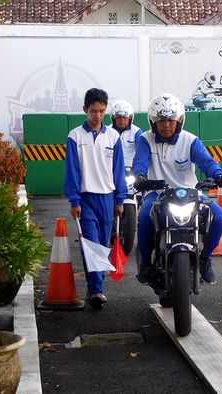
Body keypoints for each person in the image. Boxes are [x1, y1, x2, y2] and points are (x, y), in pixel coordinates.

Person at [133, 93, 222, 284]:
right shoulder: (145, 139)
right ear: (153, 122)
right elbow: (140, 163)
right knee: (145, 218)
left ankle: (205, 259)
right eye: (161, 120)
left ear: (180, 121)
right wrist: (141, 177)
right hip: (157, 193)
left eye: (171, 120)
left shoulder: (190, 140)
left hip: (189, 192)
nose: (166, 125)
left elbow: (206, 162)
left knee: (219, 217)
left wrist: (218, 174)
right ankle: (145, 262)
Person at [64, 88, 127, 310]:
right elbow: (72, 171)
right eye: (93, 111)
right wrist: (74, 201)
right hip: (86, 199)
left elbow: (118, 170)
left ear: (105, 110)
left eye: (101, 111)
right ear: (85, 110)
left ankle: (96, 287)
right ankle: (96, 289)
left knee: (102, 244)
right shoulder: (75, 136)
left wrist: (120, 199)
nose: (97, 116)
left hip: (108, 199)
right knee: (90, 243)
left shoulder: (113, 136)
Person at [109, 100, 143, 168]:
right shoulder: (108, 131)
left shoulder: (136, 131)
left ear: (130, 118)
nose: (122, 120)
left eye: (124, 117)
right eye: (119, 118)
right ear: (113, 118)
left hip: (131, 167)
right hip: (112, 166)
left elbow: (141, 153)